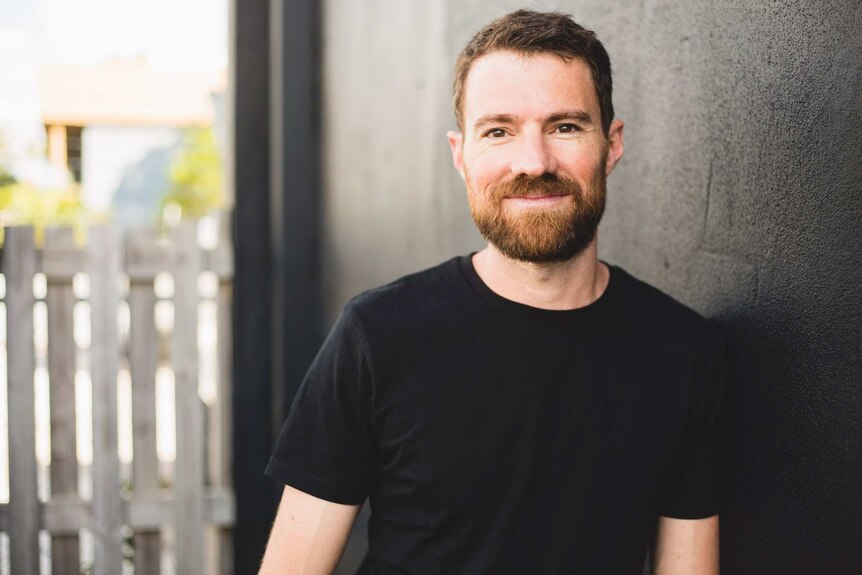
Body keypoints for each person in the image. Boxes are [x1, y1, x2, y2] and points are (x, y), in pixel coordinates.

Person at [259, 9, 724, 575]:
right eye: (498, 130)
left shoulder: (683, 352)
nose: (533, 162)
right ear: (461, 155)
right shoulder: (378, 336)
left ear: (612, 144)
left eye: (566, 126)